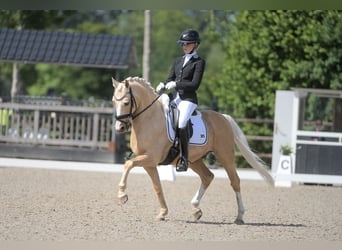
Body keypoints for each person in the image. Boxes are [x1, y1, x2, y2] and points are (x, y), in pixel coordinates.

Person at [156, 29, 206, 171]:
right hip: (175, 97)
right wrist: (164, 84)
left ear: (195, 44)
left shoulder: (199, 62)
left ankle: (184, 158)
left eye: (187, 44)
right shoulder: (177, 61)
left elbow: (194, 84)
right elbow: (170, 79)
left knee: (182, 123)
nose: (184, 46)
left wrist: (177, 84)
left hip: (188, 99)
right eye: (182, 44)